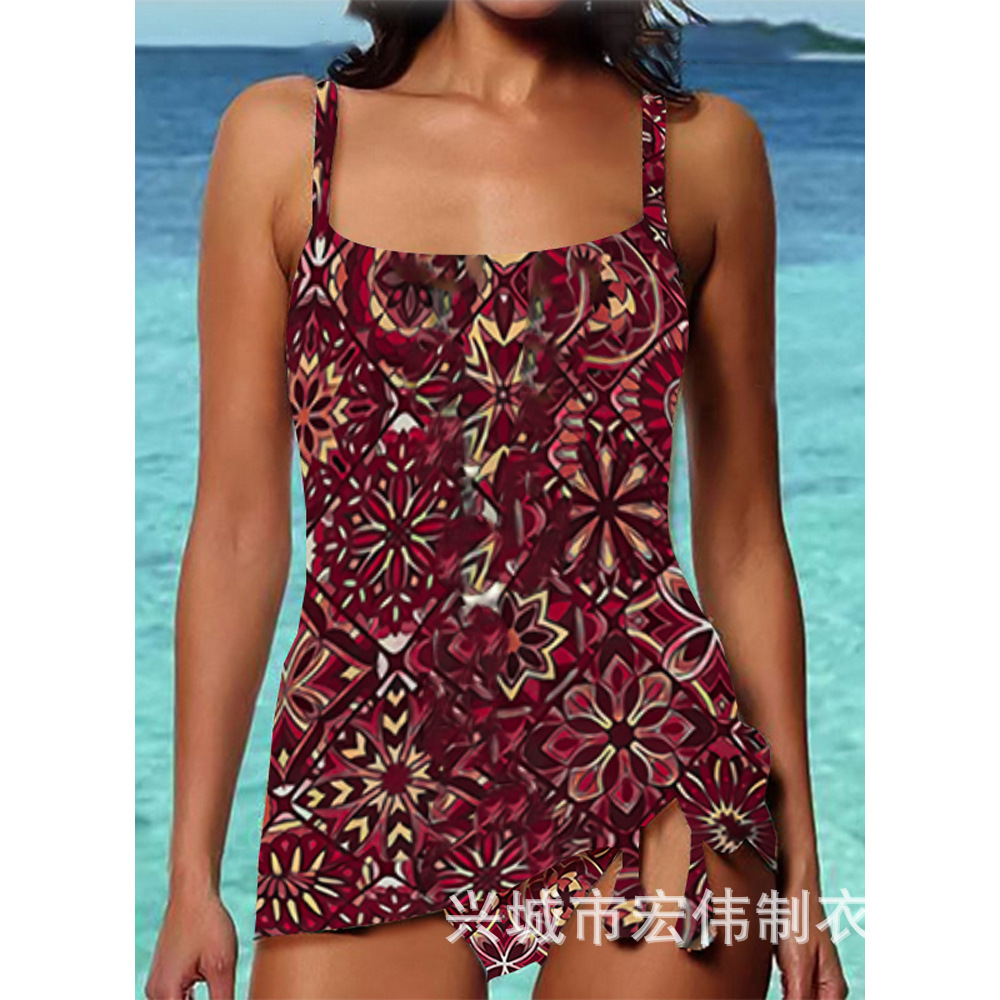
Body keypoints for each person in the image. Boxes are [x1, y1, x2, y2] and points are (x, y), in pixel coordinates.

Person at [145, 2, 849, 998]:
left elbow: (740, 539)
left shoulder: (702, 155)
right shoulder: (284, 143)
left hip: (646, 740)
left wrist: (802, 869)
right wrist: (191, 874)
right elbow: (234, 530)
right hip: (369, 757)